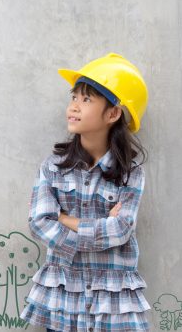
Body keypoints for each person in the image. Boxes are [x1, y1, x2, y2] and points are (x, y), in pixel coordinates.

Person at [20, 53, 151, 332]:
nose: (74, 107)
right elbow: (39, 222)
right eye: (74, 98)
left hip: (114, 300)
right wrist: (100, 231)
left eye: (87, 99)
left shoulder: (131, 173)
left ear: (113, 113)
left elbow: (121, 229)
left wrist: (67, 220)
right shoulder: (53, 168)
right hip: (64, 296)